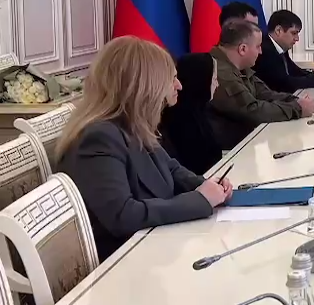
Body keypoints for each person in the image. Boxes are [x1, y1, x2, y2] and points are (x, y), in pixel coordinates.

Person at [56, 37, 232, 262]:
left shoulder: (132, 124)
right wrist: (200, 200)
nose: (179, 85)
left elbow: (171, 168)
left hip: (154, 245)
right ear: (145, 86)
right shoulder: (100, 137)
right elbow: (123, 215)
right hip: (126, 260)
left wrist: (208, 186)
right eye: (172, 78)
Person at [208, 20, 314, 149]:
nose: (260, 51)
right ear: (242, 49)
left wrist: (296, 100)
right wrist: (297, 108)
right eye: (258, 46)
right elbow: (253, 111)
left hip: (244, 143)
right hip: (227, 151)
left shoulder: (240, 67)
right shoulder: (220, 72)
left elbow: (265, 94)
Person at [159, 53, 223, 176]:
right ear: (201, 81)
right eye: (214, 79)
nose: (217, 84)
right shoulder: (182, 122)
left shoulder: (198, 112)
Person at [254, 10, 314, 93]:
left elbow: (294, 71)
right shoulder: (265, 51)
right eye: (294, 33)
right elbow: (285, 85)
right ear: (278, 30)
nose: (297, 38)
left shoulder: (279, 48)